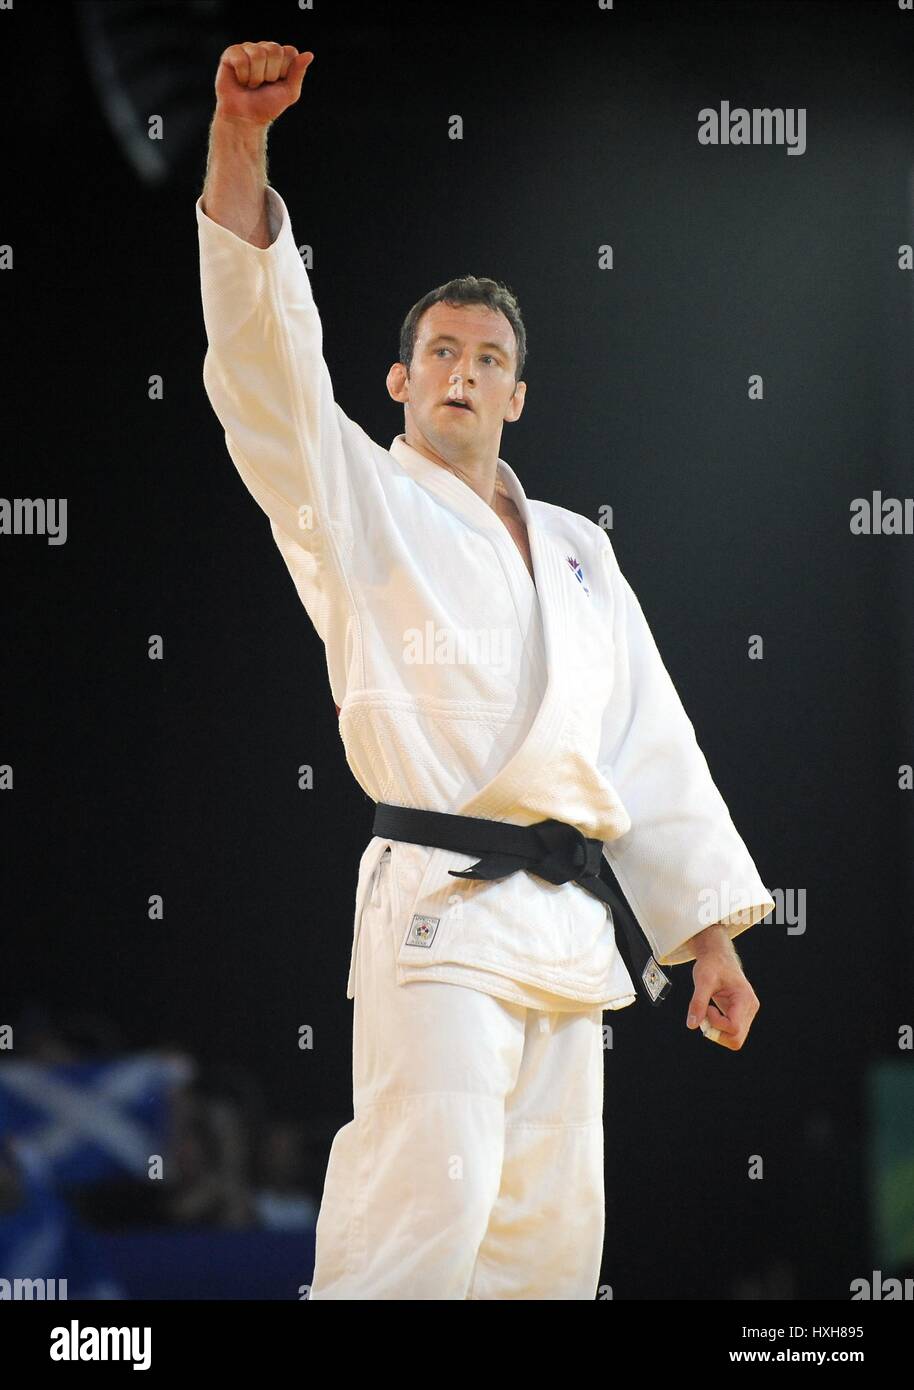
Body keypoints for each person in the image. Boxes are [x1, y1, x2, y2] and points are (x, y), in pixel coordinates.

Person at [196, 40, 775, 1300]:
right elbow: (268, 382)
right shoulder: (355, 500)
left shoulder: (578, 549)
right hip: (439, 917)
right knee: (421, 1221)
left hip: (570, 935)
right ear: (400, 382)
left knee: (549, 1254)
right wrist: (240, 149)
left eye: (488, 360)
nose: (463, 372)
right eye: (440, 354)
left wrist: (709, 940)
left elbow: (645, 743)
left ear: (517, 393)